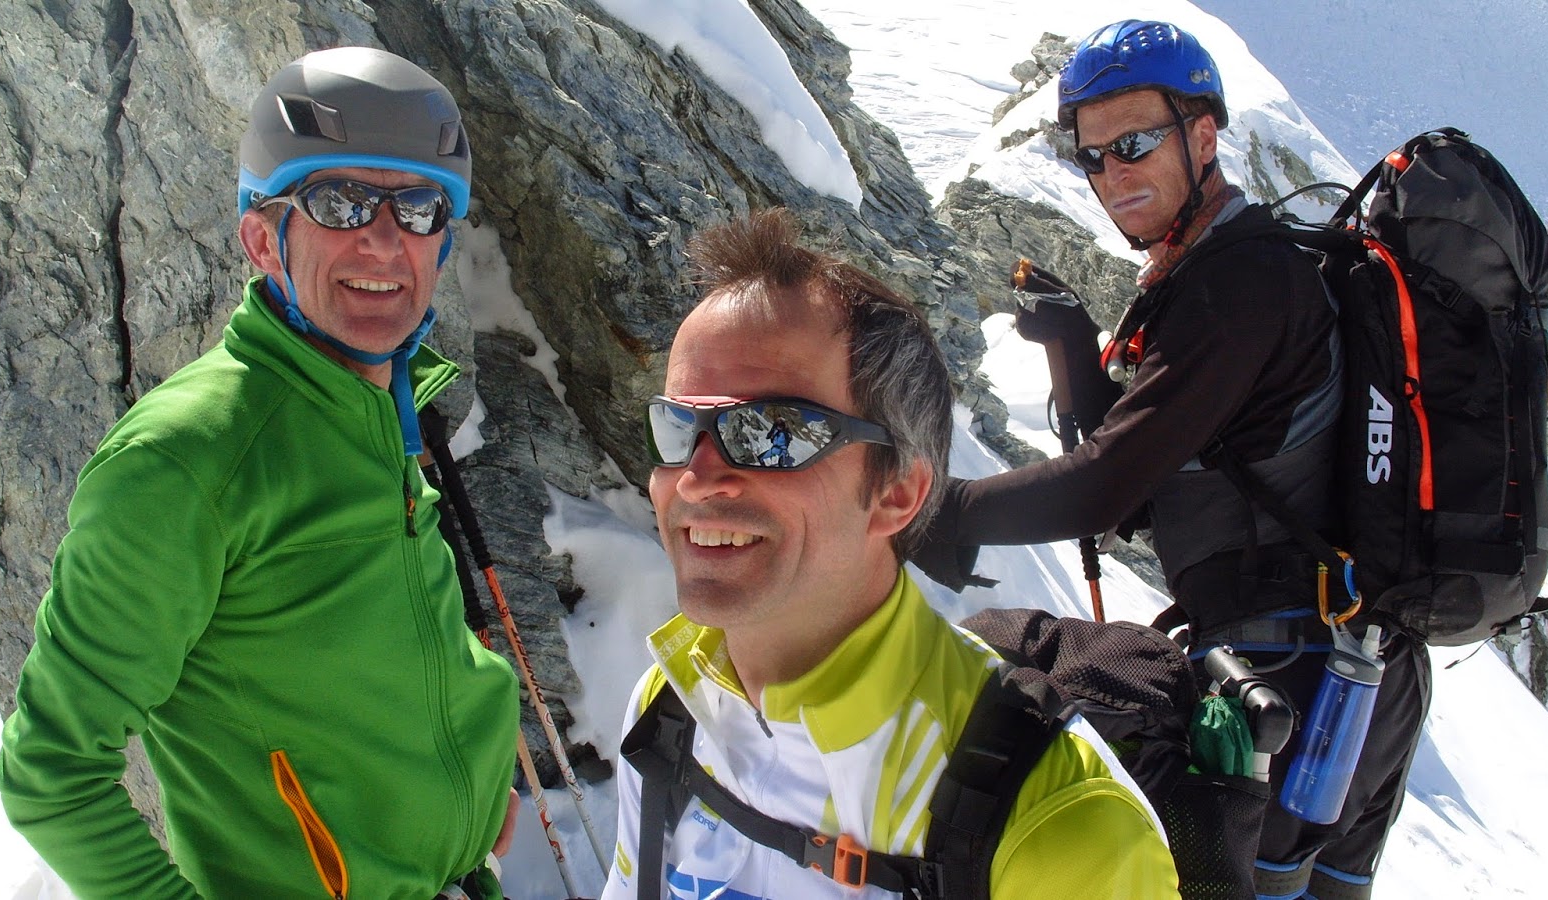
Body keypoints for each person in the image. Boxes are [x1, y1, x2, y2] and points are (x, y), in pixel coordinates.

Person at [914, 20, 1431, 900]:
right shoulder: (1215, 274)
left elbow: (1107, 484)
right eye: (1094, 158)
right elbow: (1149, 492)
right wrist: (1077, 347)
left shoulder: (1242, 281)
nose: (1114, 174)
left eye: (1136, 142)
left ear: (1204, 134)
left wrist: (940, 511)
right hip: (1348, 667)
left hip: (1289, 674)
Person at [0, 47, 521, 899]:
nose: (385, 239)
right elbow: (51, 773)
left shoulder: (377, 405)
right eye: (340, 201)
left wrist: (468, 747)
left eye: (420, 207)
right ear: (261, 239)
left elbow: (376, 624)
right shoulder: (186, 461)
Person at [603, 208, 1178, 899]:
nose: (694, 479)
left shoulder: (1065, 833)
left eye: (772, 434)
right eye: (677, 427)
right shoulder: (671, 703)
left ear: (899, 492)